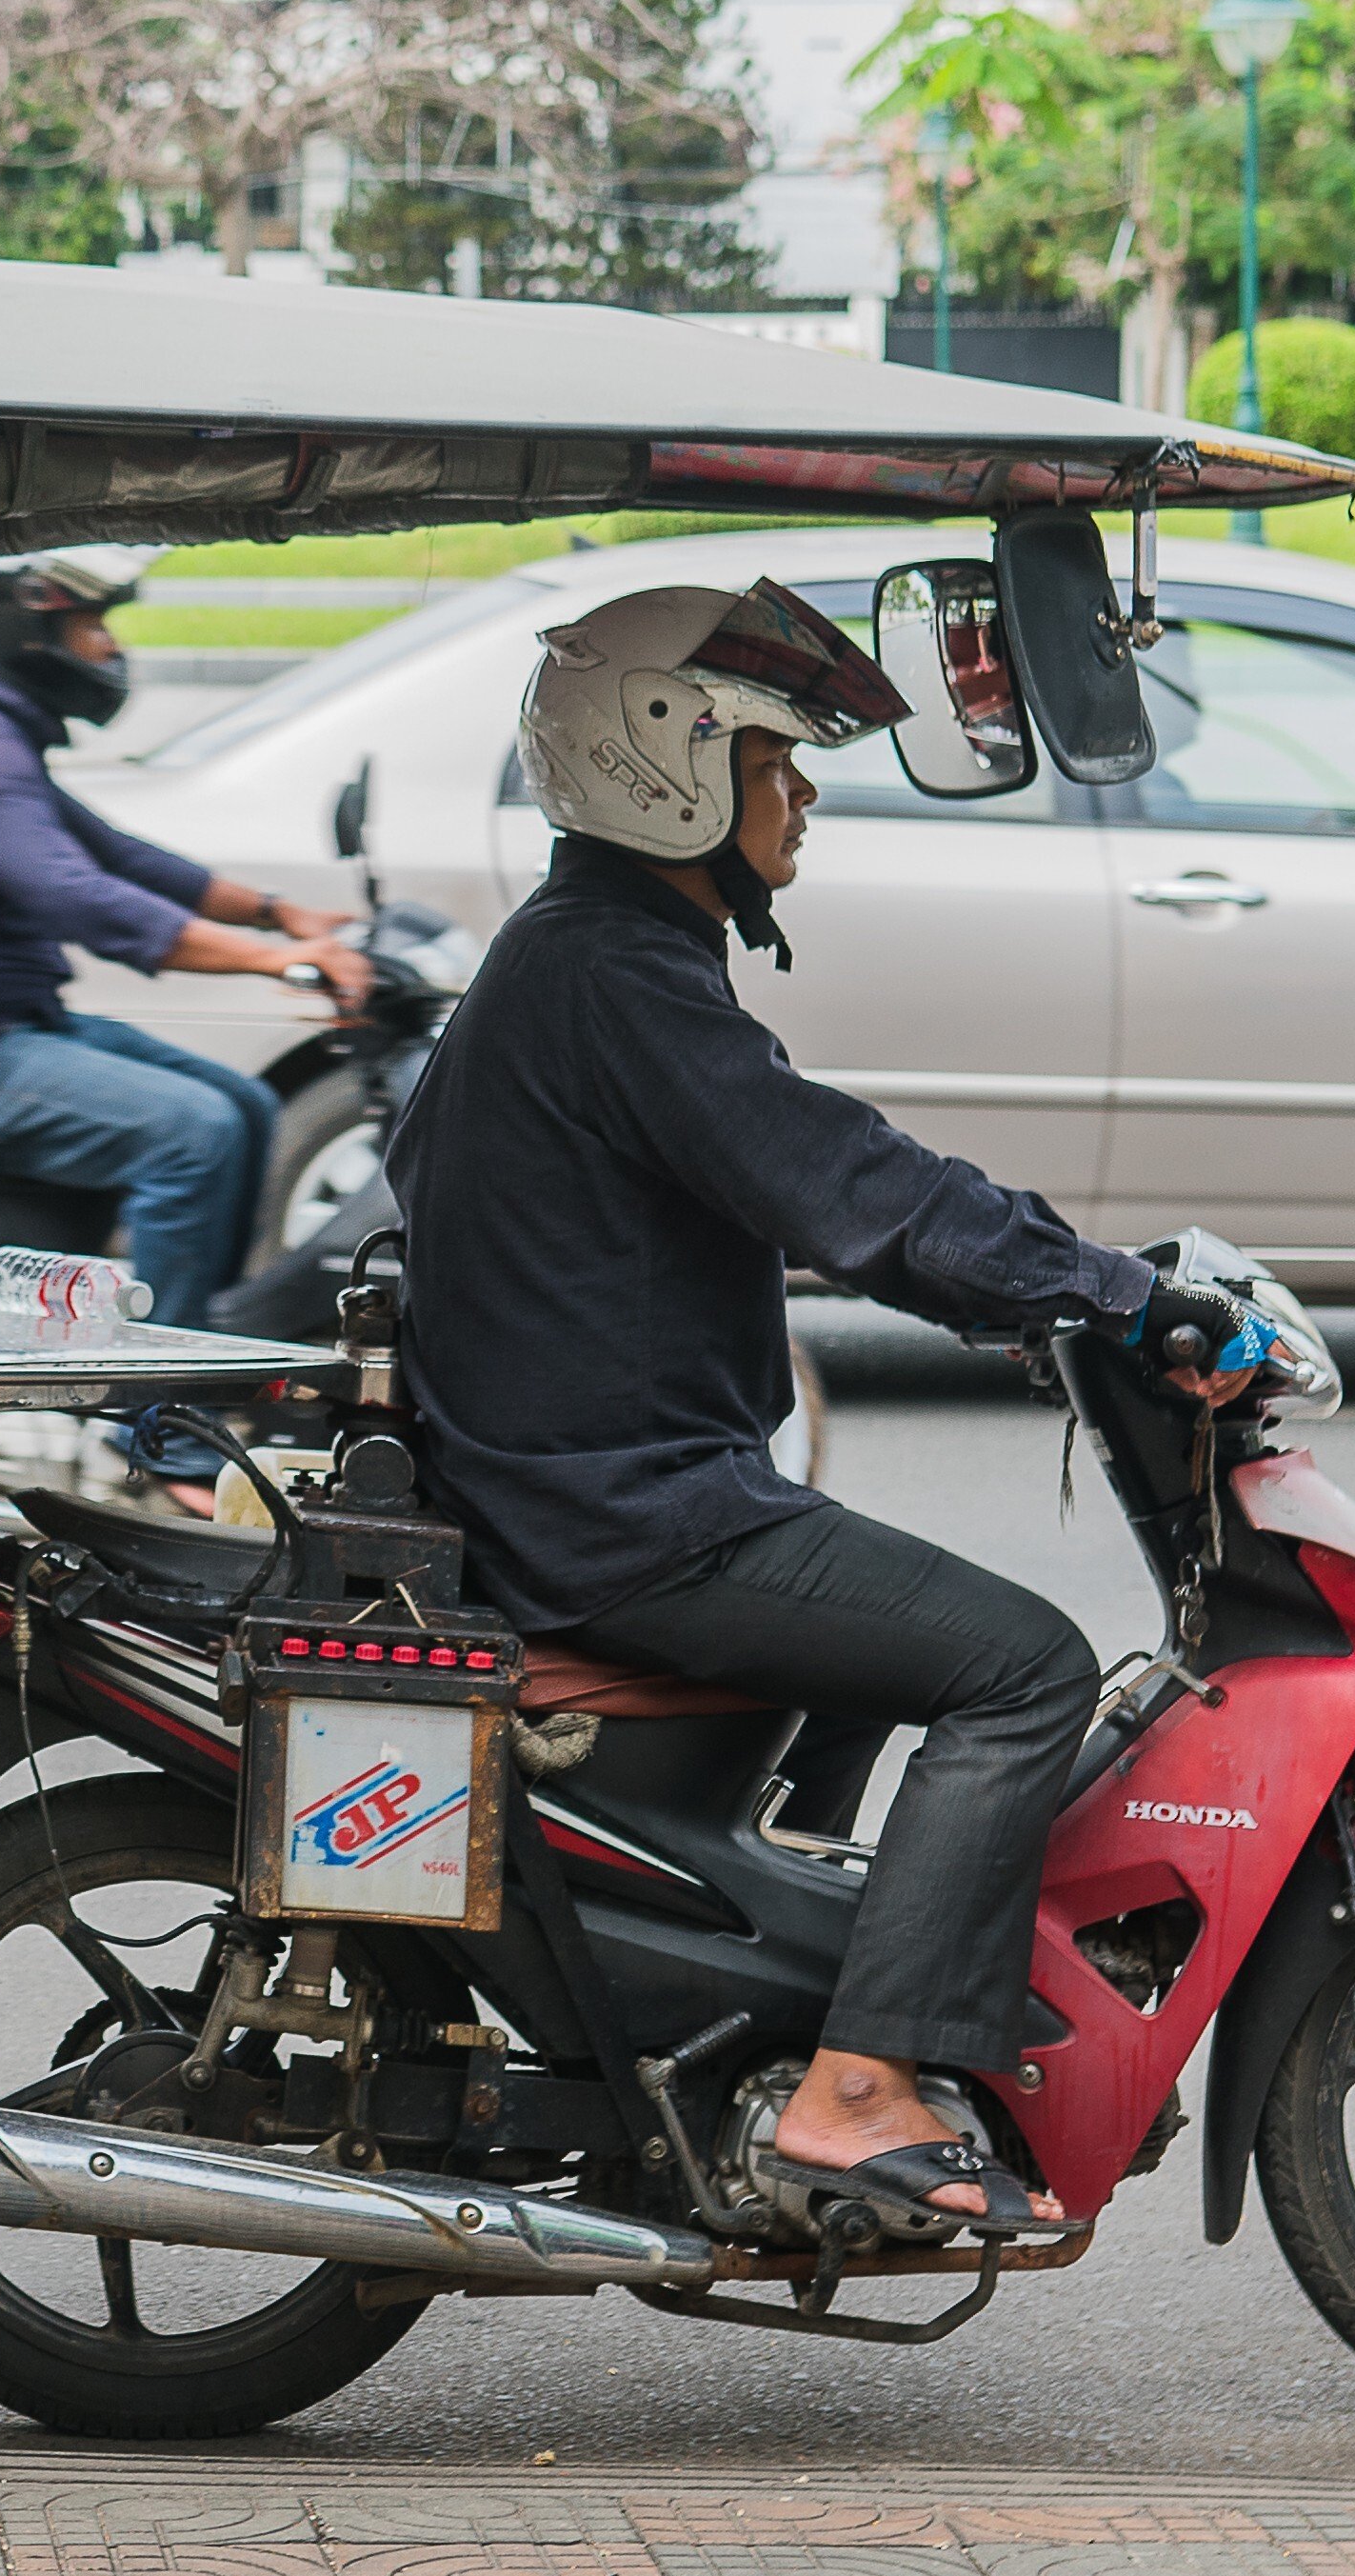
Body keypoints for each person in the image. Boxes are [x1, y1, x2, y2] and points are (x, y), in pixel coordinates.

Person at [382, 579, 1256, 2243]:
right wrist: (1117, 1295)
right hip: (622, 1514)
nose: (804, 794)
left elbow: (802, 1185)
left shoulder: (592, 958)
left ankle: (795, 1997)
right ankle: (857, 2085)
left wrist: (1031, 1289)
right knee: (1019, 1666)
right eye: (777, 758)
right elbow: (844, 1179)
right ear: (669, 768)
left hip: (595, 1482)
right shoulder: (612, 977)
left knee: (873, 1612)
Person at [0, 550, 369, 1338]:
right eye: (92, 626)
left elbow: (117, 854)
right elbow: (80, 898)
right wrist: (274, 961)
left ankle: (194, 1344)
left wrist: (279, 913)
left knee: (250, 1106)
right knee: (196, 1132)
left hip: (6, 1026)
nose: (110, 648)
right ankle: (147, 1411)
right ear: (30, 634)